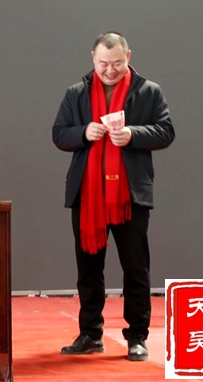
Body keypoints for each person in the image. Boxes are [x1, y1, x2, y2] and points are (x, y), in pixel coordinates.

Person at [52, 31, 175, 362]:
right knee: (88, 269)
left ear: (128, 57)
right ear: (93, 58)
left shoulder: (148, 91)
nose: (110, 70)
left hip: (130, 194)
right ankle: (90, 334)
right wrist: (84, 133)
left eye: (117, 63)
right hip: (87, 195)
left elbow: (166, 131)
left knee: (136, 268)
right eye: (104, 63)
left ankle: (137, 336)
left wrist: (134, 134)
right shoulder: (76, 93)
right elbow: (59, 134)